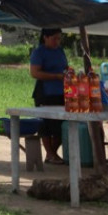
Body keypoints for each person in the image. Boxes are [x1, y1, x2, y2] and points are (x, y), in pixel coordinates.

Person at [29, 27, 68, 165]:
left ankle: (51, 153)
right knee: (46, 125)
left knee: (62, 125)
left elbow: (65, 67)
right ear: (45, 37)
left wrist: (68, 73)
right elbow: (35, 73)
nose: (57, 41)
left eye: (59, 38)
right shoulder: (39, 52)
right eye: (54, 38)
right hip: (45, 93)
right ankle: (51, 154)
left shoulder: (60, 50)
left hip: (62, 92)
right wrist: (56, 76)